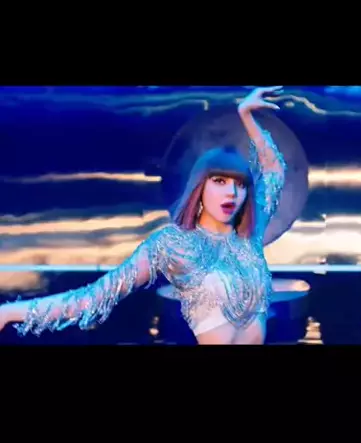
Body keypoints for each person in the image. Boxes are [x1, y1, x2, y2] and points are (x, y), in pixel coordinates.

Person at [0, 86, 287, 345]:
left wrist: (246, 116)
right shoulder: (173, 244)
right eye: (219, 181)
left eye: (240, 185)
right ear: (200, 186)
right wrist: (10, 312)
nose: (231, 193)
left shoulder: (249, 235)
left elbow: (274, 170)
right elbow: (94, 297)